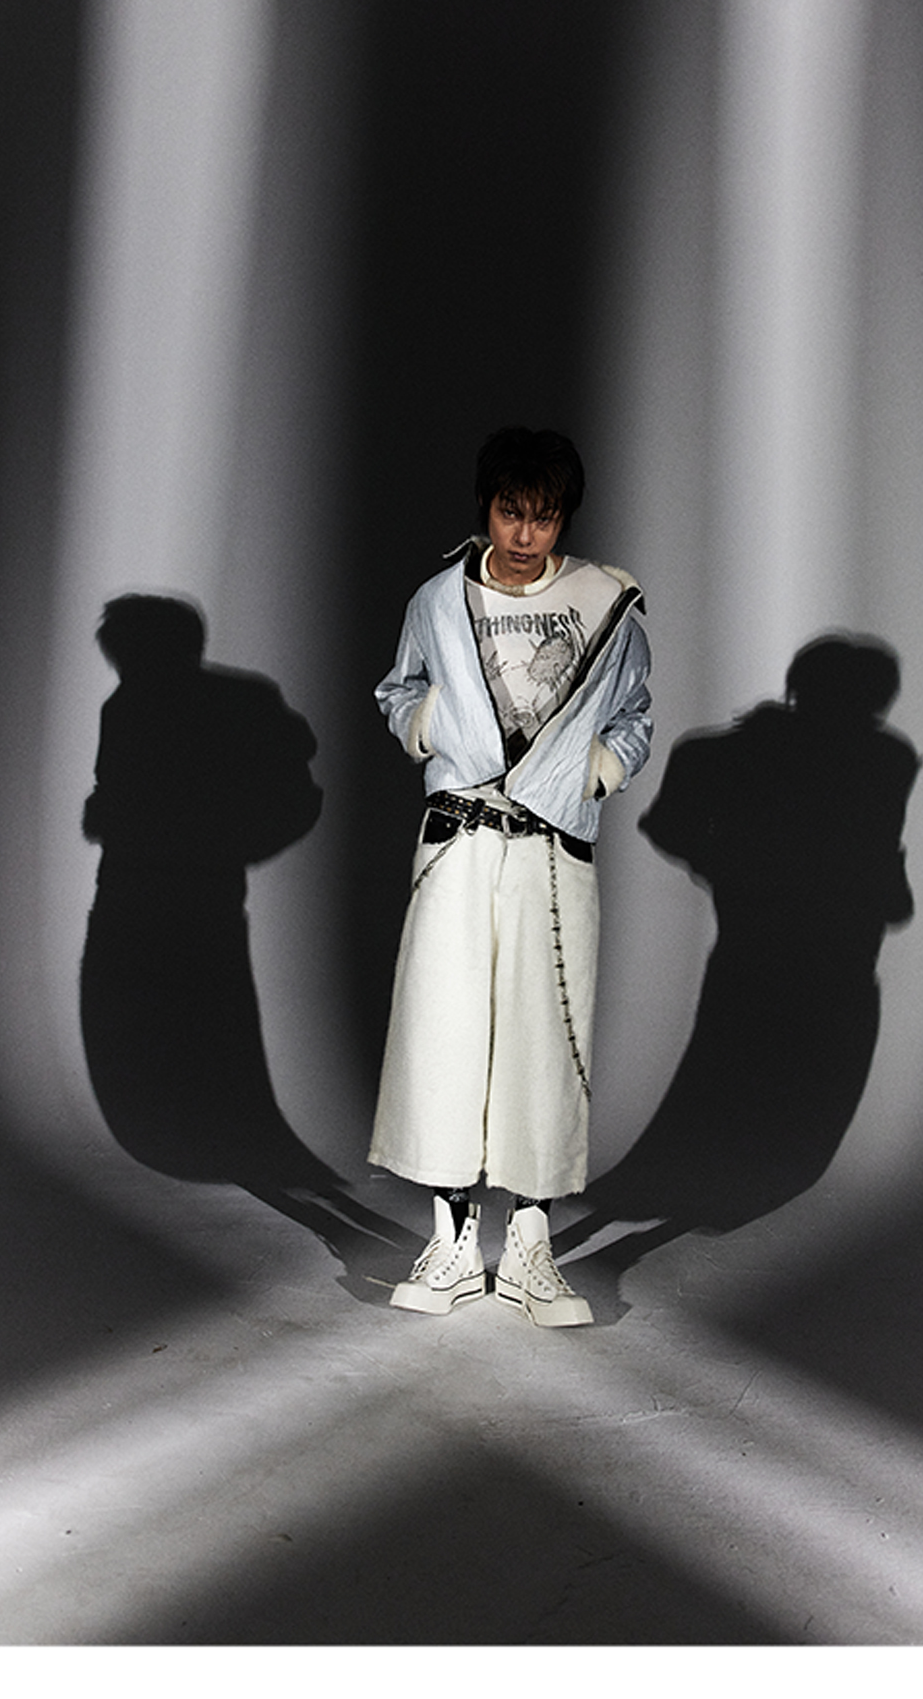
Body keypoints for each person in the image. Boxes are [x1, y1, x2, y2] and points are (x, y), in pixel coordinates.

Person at [369, 426, 653, 1326]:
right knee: (444, 1029)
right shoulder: (438, 599)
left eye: (544, 516)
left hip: (549, 846)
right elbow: (398, 688)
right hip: (459, 837)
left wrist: (596, 773)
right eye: (510, 511)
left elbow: (635, 714)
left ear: (564, 518)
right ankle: (452, 1241)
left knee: (541, 1036)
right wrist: (428, 725)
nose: (525, 534)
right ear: (486, 507)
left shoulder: (604, 602)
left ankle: (531, 1246)